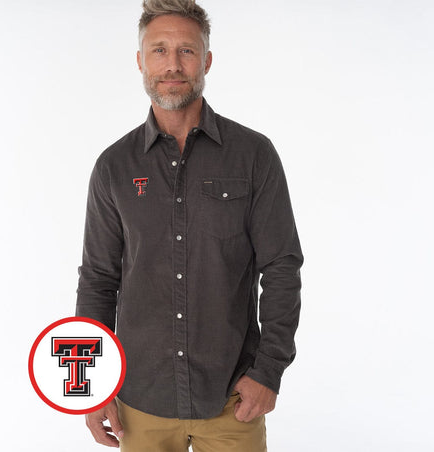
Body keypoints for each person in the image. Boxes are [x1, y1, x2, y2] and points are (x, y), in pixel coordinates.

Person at [75, 0, 303, 450]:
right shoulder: (114, 166)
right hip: (139, 401)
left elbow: (281, 267)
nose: (173, 65)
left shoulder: (253, 155)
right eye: (159, 50)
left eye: (187, 51)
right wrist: (90, 385)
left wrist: (269, 371)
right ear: (140, 61)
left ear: (207, 60)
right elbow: (98, 279)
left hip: (233, 399)